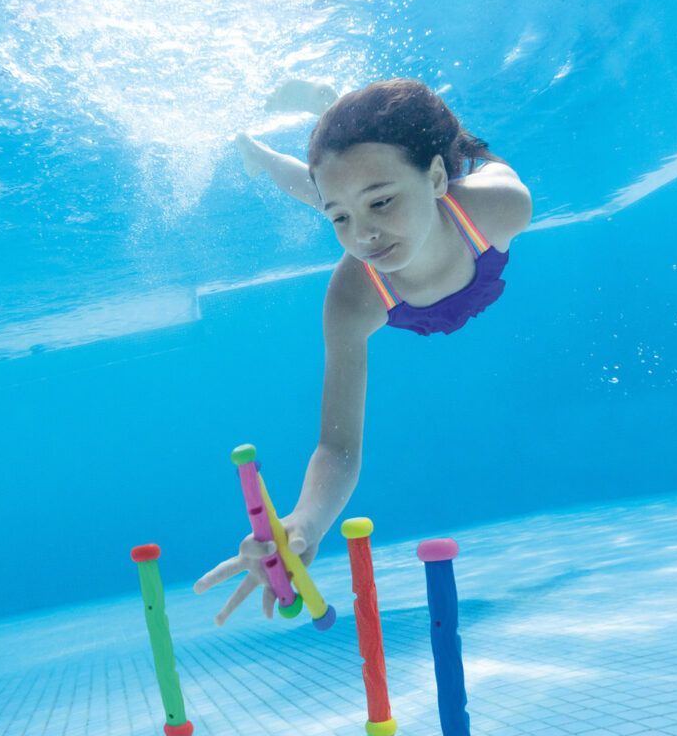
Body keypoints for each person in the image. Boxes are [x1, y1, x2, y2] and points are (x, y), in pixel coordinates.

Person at [195, 78, 532, 625]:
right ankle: (258, 154)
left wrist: (364, 194)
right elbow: (338, 448)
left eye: (382, 202)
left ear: (439, 177)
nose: (365, 236)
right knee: (313, 186)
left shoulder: (500, 206)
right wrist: (303, 524)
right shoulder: (353, 297)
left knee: (331, 184)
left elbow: (430, 175)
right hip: (391, 227)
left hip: (457, 220)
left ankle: (334, 105)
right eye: (340, 221)